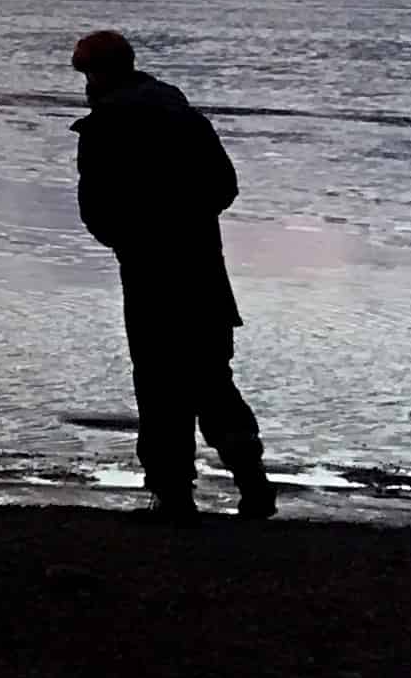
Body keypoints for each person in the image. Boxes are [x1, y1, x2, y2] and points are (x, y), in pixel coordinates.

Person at [70, 28, 272, 521]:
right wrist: (185, 221)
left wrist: (132, 236)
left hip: (151, 276)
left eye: (86, 73)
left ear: (97, 73)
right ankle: (252, 485)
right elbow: (224, 187)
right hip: (203, 271)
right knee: (211, 381)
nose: (85, 85)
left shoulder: (106, 127)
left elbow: (96, 212)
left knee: (160, 387)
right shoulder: (185, 116)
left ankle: (173, 494)